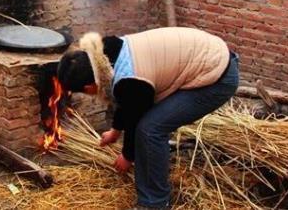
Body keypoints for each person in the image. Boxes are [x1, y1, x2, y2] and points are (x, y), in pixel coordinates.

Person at [57, 27, 239, 210]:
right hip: (209, 55)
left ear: (89, 87)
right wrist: (115, 131)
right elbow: (127, 102)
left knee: (151, 129)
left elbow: (134, 115)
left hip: (216, 77)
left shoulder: (130, 79)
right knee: (148, 125)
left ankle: (155, 203)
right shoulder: (106, 52)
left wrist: (127, 155)